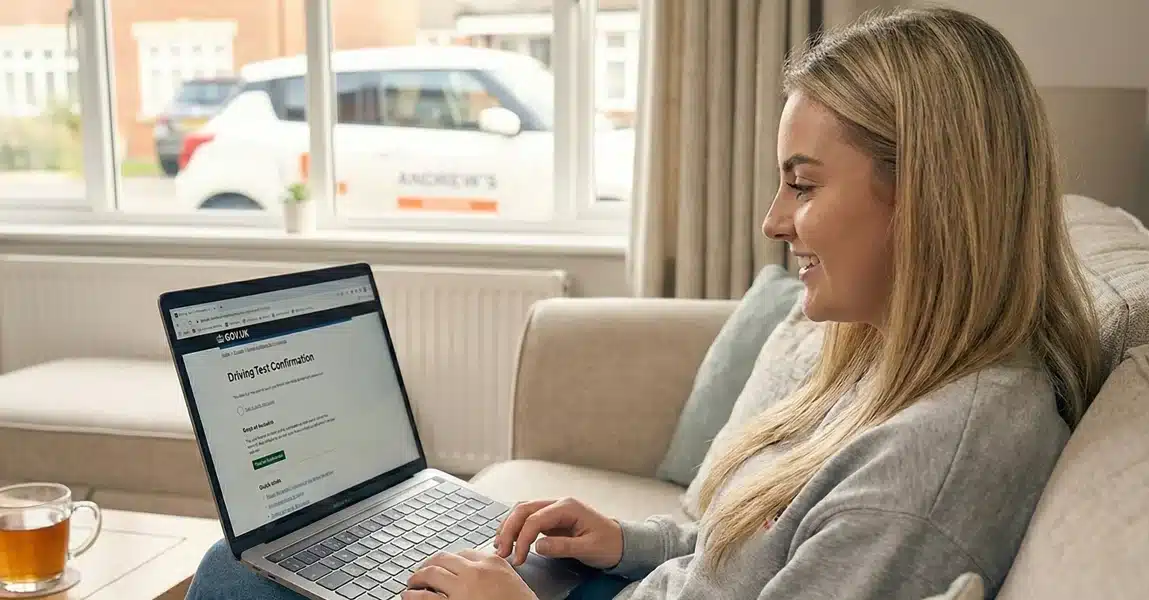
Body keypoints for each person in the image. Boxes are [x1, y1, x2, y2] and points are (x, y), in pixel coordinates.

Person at [185, 6, 1102, 600]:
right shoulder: (891, 358)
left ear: (929, 196)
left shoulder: (936, 464)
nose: (773, 221)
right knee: (271, 559)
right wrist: (626, 541)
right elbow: (746, 550)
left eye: (805, 185)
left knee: (236, 574)